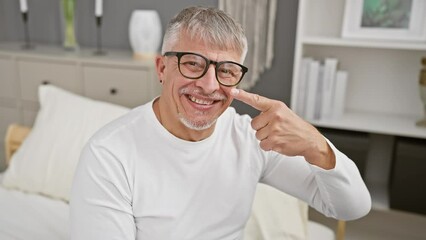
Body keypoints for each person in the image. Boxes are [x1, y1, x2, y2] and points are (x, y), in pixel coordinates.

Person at [70, 6, 371, 240]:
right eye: (192, 64)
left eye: (226, 70)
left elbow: (351, 207)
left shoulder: (251, 138)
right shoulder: (108, 153)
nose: (209, 85)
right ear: (162, 68)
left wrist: (315, 144)